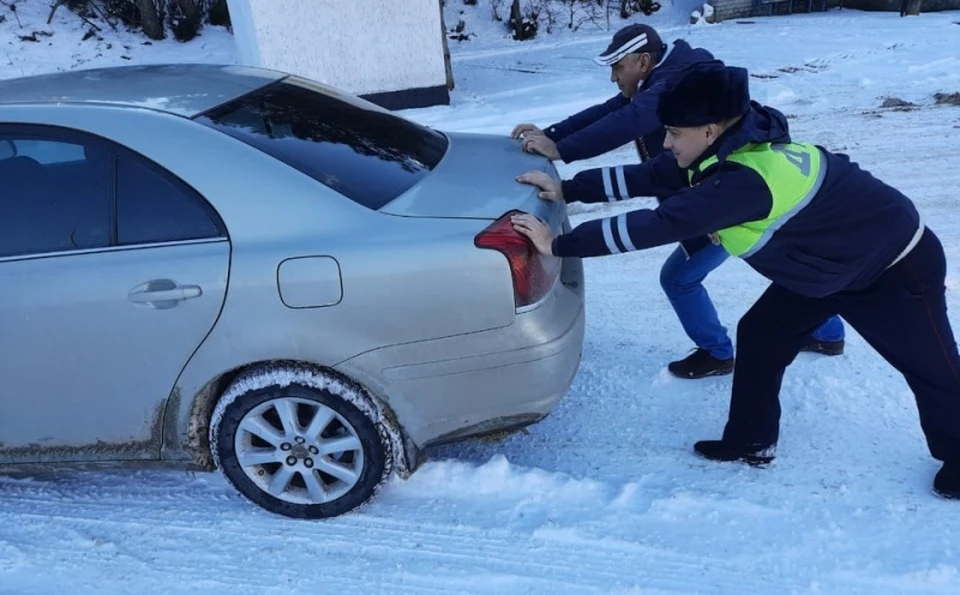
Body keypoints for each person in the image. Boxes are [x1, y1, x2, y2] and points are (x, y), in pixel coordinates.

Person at [510, 60, 960, 500]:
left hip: (895, 265)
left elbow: (656, 225)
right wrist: (571, 189)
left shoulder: (744, 181)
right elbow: (655, 175)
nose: (666, 142)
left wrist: (559, 243)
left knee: (932, 367)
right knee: (762, 334)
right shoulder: (725, 150)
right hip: (826, 267)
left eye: (674, 133)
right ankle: (751, 440)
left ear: (710, 131)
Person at [510, 23, 845, 379]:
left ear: (642, 62)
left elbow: (629, 122)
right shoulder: (668, 76)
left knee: (680, 278)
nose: (613, 77)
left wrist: (560, 158)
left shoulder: (671, 85)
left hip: (717, 200)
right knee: (775, 260)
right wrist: (555, 137)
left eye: (617, 67)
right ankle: (828, 334)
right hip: (719, 195)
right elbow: (614, 114)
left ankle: (717, 353)